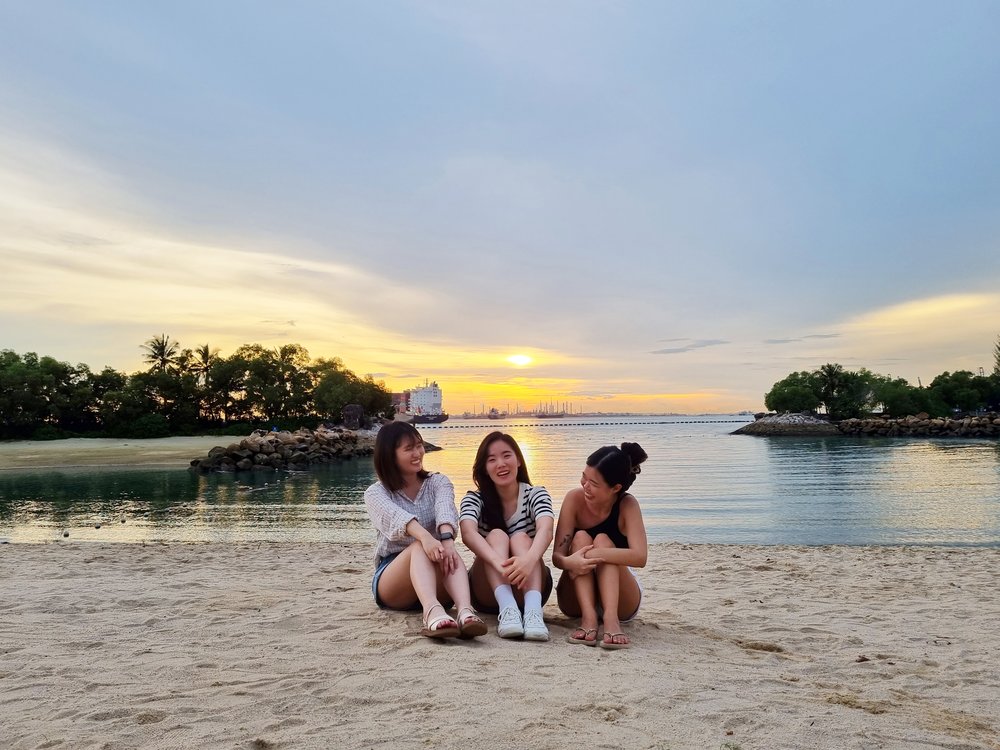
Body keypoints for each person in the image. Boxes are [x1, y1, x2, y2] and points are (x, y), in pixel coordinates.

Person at [363, 421, 487, 639]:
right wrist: (425, 537)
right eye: (408, 448)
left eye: (419, 445)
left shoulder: (437, 482)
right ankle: (431, 612)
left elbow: (445, 509)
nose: (418, 453)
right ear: (390, 455)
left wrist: (447, 541)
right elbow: (397, 519)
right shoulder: (376, 493)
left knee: (448, 550)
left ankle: (466, 611)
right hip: (393, 581)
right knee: (421, 545)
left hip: (438, 568)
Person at [459, 431, 554, 641]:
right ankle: (508, 609)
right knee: (497, 536)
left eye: (506, 455)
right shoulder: (475, 499)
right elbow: (467, 532)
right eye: (491, 459)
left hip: (531, 587)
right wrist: (499, 563)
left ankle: (532, 613)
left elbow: (546, 530)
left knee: (521, 538)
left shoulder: (536, 494)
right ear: (484, 467)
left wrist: (528, 561)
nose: (500, 463)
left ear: (519, 460)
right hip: (487, 592)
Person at [553, 442, 648, 650]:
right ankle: (589, 618)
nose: (585, 485)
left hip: (621, 600)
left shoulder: (627, 505)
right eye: (584, 477)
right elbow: (557, 557)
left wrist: (595, 554)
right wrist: (571, 561)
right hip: (576, 598)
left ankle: (611, 620)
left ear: (615, 488)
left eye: (593, 483)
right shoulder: (573, 499)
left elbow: (640, 557)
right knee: (579, 538)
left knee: (604, 540)